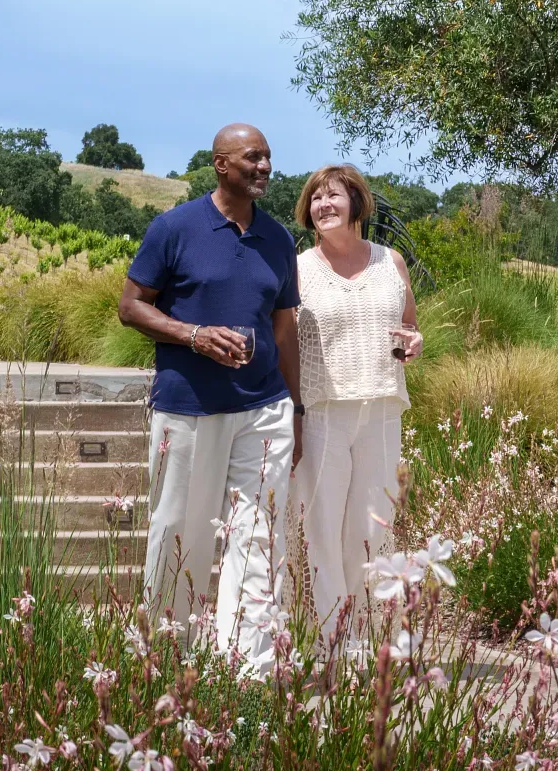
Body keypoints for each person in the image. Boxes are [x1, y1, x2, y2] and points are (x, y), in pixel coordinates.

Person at [117, 123, 303, 672]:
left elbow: (284, 329)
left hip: (265, 406)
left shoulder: (278, 239)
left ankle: (249, 667)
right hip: (189, 405)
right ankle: (165, 655)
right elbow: (131, 306)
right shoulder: (174, 227)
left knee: (258, 533)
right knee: (180, 528)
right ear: (221, 164)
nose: (265, 166)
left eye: (268, 157)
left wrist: (298, 407)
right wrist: (193, 335)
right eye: (253, 157)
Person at [288, 164, 422, 645]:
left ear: (357, 203)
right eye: (316, 198)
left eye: (333, 196)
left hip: (382, 409)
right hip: (322, 410)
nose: (323, 205)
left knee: (373, 527)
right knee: (320, 527)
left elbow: (408, 325)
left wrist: (414, 342)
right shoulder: (298, 268)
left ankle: (365, 640)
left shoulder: (393, 261)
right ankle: (325, 641)